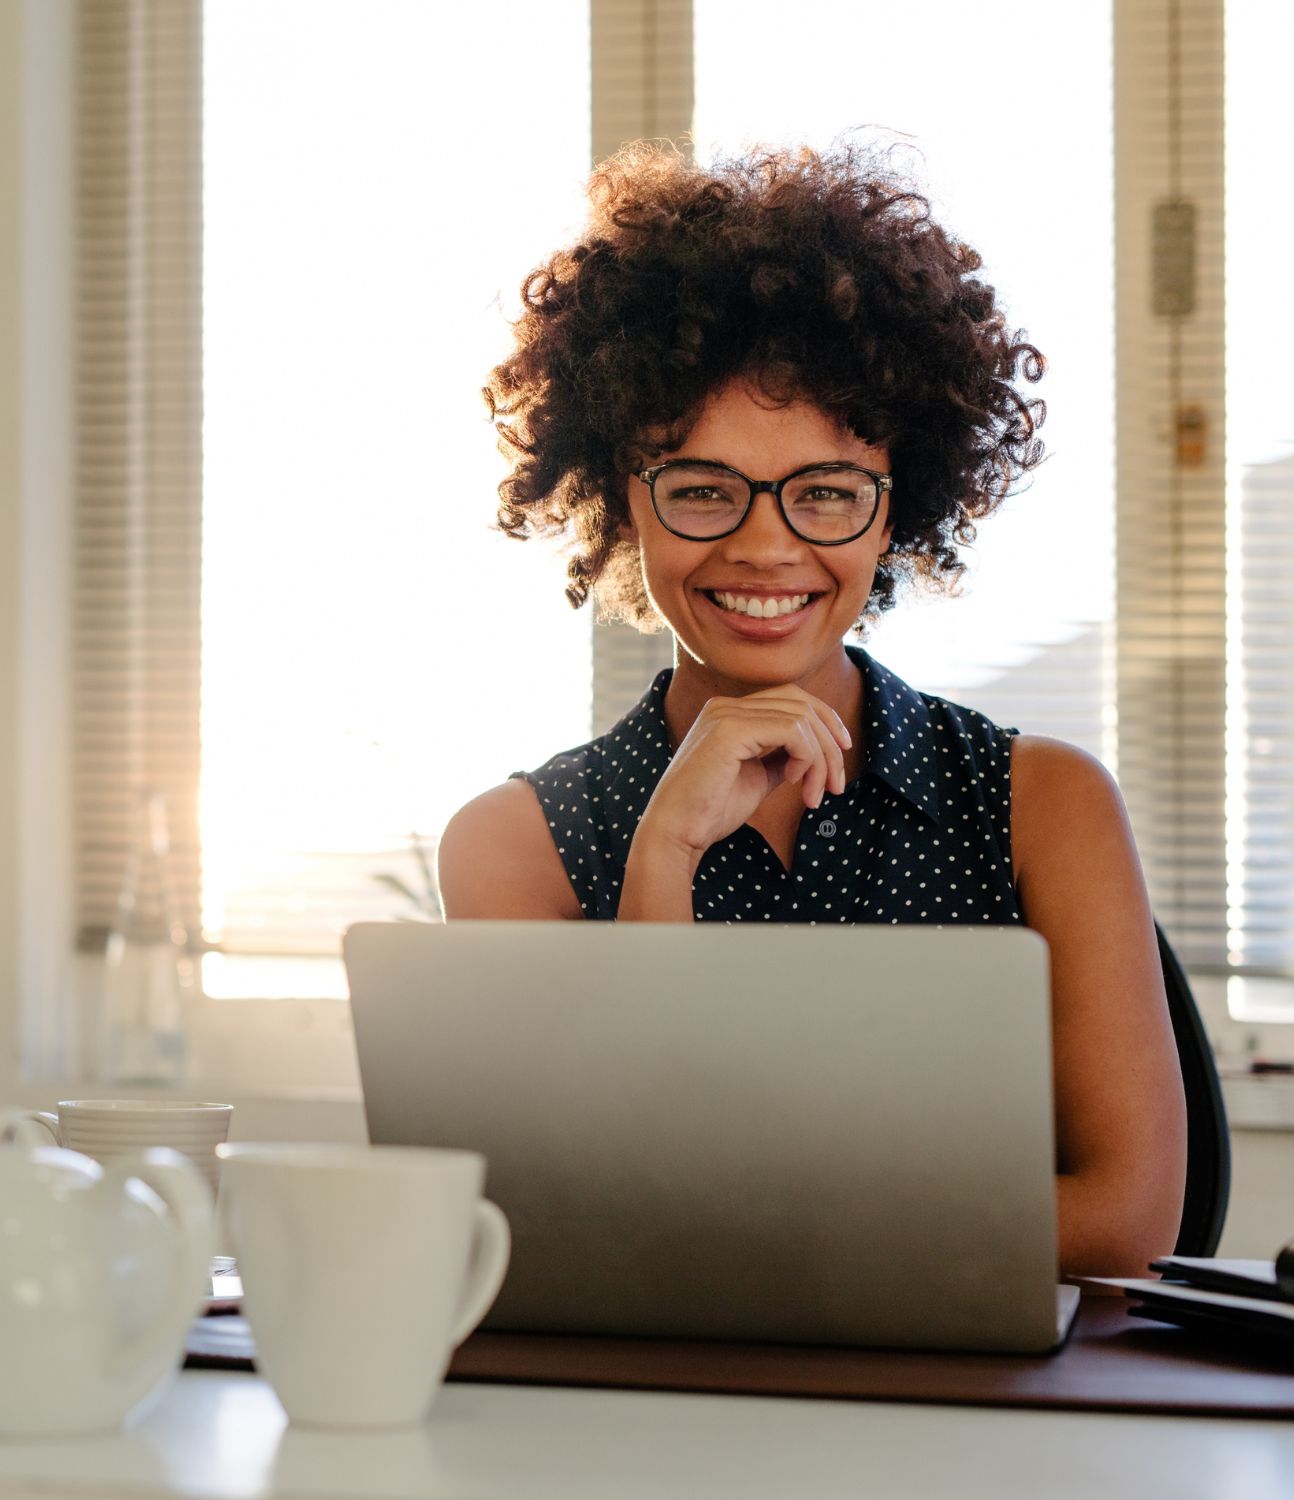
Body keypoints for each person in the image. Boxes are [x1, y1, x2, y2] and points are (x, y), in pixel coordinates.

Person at [438, 140, 1186, 1277]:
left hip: (981, 1414)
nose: (765, 544)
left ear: (898, 509)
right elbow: (585, 1203)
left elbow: (1127, 1216)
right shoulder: (512, 846)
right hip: (660, 1416)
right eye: (701, 489)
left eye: (826, 492)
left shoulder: (1045, 804)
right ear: (621, 502)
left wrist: (753, 1226)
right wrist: (664, 860)